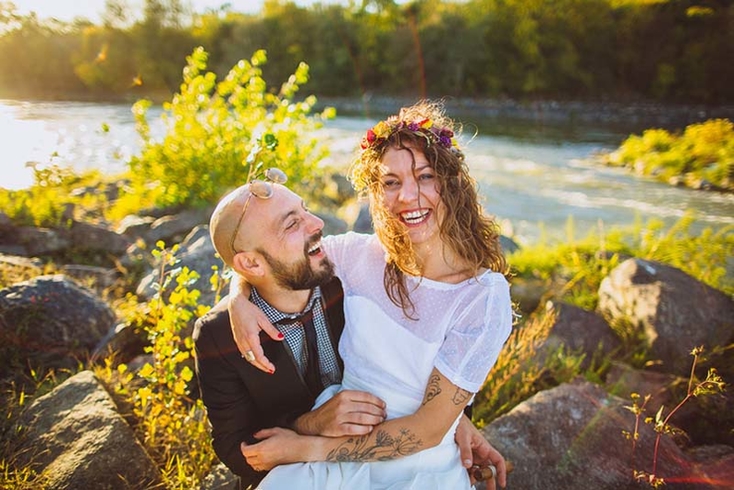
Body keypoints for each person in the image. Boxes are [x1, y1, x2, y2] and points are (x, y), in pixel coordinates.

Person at [228, 100, 513, 489]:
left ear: (451, 181)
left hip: (415, 467)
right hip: (333, 440)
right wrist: (237, 297)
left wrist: (304, 449)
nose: (408, 197)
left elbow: (427, 430)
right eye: (391, 182)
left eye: (425, 176)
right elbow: (277, 258)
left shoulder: (481, 296)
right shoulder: (359, 254)